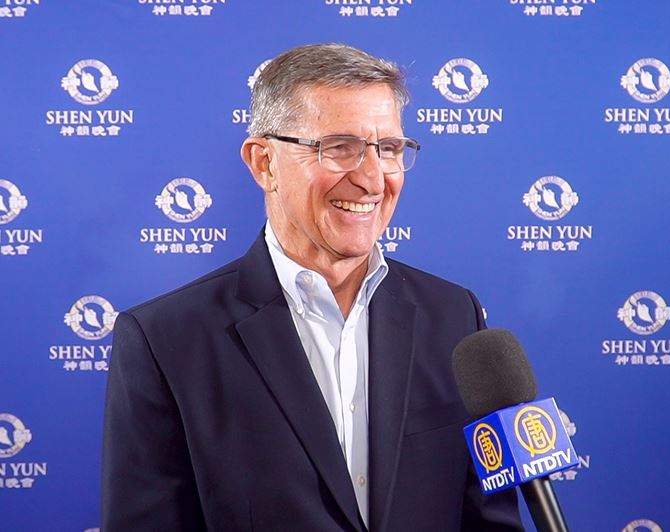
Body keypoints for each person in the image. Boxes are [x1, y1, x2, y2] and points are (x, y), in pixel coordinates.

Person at [102, 43, 522, 531]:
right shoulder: (165, 340)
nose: (372, 179)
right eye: (339, 147)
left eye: (389, 149)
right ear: (264, 163)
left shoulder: (454, 316)